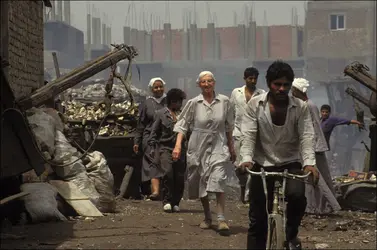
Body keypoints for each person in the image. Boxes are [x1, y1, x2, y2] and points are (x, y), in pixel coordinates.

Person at [239, 60, 319, 250]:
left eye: (286, 85)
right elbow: (248, 135)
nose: (281, 89)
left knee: (297, 196)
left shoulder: (301, 107)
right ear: (269, 84)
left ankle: (291, 234)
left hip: (290, 161)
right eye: (277, 84)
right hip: (261, 161)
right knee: (257, 218)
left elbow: (307, 136)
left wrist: (309, 163)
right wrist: (246, 160)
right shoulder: (254, 105)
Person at [172, 71, 236, 235]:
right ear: (199, 85)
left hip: (218, 145)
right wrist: (178, 146)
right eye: (203, 82)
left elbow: (229, 127)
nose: (207, 84)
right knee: (201, 182)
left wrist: (232, 147)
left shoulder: (225, 101)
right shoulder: (194, 103)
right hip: (198, 146)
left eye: (209, 81)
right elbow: (182, 125)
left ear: (214, 83)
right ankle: (208, 216)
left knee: (219, 179)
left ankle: (221, 218)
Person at [292, 78, 341, 215]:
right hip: (316, 145)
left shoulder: (306, 106)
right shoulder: (310, 104)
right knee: (324, 177)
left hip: (312, 146)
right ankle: (328, 206)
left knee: (314, 178)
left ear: (297, 91)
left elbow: (311, 128)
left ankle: (320, 207)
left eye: (293, 90)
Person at [230, 66, 265, 204]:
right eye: (250, 78)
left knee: (252, 163)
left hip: (255, 134)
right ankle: (243, 189)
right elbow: (231, 112)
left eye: (255, 78)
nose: (253, 81)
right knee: (239, 166)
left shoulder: (262, 94)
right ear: (245, 79)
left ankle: (248, 195)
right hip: (238, 133)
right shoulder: (236, 93)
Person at [148, 88, 187, 213]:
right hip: (165, 148)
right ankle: (167, 201)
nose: (180, 104)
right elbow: (154, 132)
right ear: (172, 101)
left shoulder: (184, 115)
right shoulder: (160, 114)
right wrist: (152, 148)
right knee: (168, 174)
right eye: (178, 102)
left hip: (181, 149)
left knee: (179, 177)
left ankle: (176, 202)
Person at [134, 77, 167, 200]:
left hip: (165, 136)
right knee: (153, 162)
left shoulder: (168, 101)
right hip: (150, 137)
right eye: (156, 87)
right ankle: (155, 192)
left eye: (160, 86)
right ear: (151, 89)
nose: (158, 89)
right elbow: (141, 124)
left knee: (164, 162)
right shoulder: (147, 103)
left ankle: (165, 191)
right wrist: (137, 141)